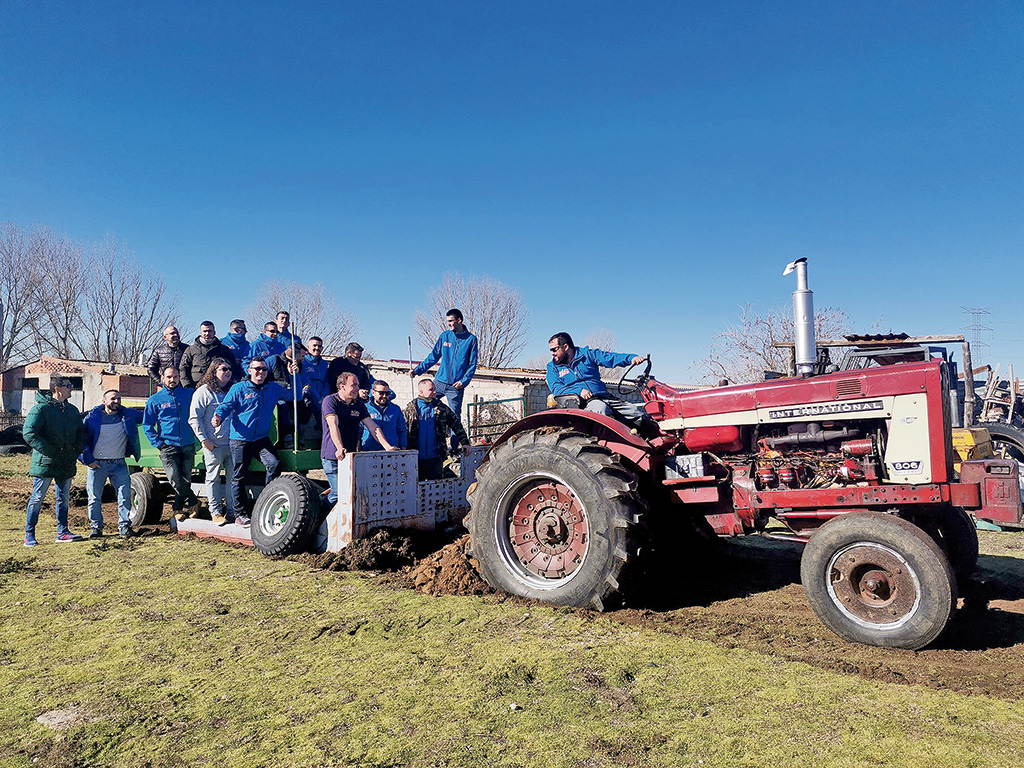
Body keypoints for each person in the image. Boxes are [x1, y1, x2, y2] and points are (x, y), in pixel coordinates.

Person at [212, 357, 290, 526]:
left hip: (261, 439)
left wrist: (295, 375)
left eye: (263, 369)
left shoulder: (273, 388)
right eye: (256, 369)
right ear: (249, 370)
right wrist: (218, 416)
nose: (260, 372)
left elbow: (294, 396)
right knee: (239, 476)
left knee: (274, 464)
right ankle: (239, 513)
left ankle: (267, 500)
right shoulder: (239, 388)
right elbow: (226, 405)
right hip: (240, 440)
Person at [22, 377, 86, 545]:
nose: (71, 389)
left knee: (63, 498)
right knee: (37, 497)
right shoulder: (41, 409)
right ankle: (29, 534)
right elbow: (29, 433)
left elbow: (81, 432)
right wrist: (50, 451)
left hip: (66, 462)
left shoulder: (72, 411)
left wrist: (76, 450)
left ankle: (62, 532)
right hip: (45, 462)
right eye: (68, 386)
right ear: (58, 388)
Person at [321, 372, 398, 506]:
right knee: (338, 493)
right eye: (353, 385)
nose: (357, 388)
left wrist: (388, 447)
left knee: (351, 492)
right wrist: (339, 448)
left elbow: (373, 427)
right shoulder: (330, 401)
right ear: (342, 386)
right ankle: (323, 520)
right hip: (332, 456)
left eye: (357, 385)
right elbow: (333, 426)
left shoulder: (359, 405)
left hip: (349, 457)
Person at [546, 332, 647, 428]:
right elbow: (556, 388)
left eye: (554, 350)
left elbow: (610, 358)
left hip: (604, 397)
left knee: (635, 413)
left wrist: (631, 358)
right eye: (550, 350)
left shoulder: (587, 355)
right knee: (600, 409)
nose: (552, 353)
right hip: (582, 403)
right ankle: (604, 443)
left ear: (566, 347)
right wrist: (579, 391)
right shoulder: (553, 367)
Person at [80, 389, 142, 538]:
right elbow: (81, 441)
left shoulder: (127, 415)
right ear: (104, 401)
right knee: (94, 498)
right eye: (113, 399)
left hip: (119, 463)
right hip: (97, 465)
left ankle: (124, 527)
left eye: (119, 399)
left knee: (125, 495)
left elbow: (149, 414)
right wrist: (88, 460)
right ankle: (96, 528)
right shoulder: (92, 418)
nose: (116, 402)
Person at [143, 367, 201, 522]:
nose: (172, 379)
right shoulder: (155, 400)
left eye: (175, 376)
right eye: (169, 376)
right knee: (174, 478)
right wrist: (158, 443)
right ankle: (194, 501)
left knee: (185, 478)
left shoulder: (189, 394)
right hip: (168, 445)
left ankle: (177, 510)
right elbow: (147, 425)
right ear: (162, 378)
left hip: (188, 444)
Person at [188, 359, 236, 526]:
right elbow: (194, 418)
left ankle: (232, 512)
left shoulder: (233, 390)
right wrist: (204, 440)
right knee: (213, 479)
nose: (228, 372)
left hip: (232, 444)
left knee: (233, 479)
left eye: (229, 369)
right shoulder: (204, 392)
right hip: (213, 445)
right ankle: (215, 512)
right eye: (224, 369)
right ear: (214, 371)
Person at [412, 308, 478, 421]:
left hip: (455, 386)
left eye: (451, 321)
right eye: (447, 321)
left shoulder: (471, 339)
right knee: (422, 406)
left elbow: (472, 364)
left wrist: (464, 381)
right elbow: (434, 356)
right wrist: (418, 370)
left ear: (459, 320)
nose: (448, 324)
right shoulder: (445, 336)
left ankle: (454, 439)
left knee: (454, 418)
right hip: (438, 382)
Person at [403, 378, 470, 481]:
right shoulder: (411, 409)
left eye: (434, 389)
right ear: (421, 392)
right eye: (431, 390)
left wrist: (465, 442)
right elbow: (401, 431)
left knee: (435, 490)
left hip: (435, 459)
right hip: (415, 459)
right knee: (415, 489)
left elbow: (457, 425)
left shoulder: (441, 408)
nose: (434, 392)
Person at [180, 321, 240, 387]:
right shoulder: (191, 350)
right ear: (200, 332)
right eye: (204, 331)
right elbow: (183, 368)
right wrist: (186, 385)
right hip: (196, 386)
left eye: (210, 331)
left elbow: (232, 367)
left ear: (214, 332)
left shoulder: (223, 349)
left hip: (219, 387)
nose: (207, 333)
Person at [361, 380, 407, 451]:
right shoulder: (364, 408)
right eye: (381, 393)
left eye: (387, 393)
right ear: (373, 393)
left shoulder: (395, 409)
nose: (384, 396)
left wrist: (403, 446)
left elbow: (402, 430)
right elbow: (358, 430)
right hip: (369, 450)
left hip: (392, 450)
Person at [304, 336, 331, 404]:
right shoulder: (303, 362)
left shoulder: (324, 364)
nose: (317, 348)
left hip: (321, 398)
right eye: (314, 345)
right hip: (307, 397)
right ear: (308, 347)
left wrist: (324, 395)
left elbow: (326, 382)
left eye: (319, 346)